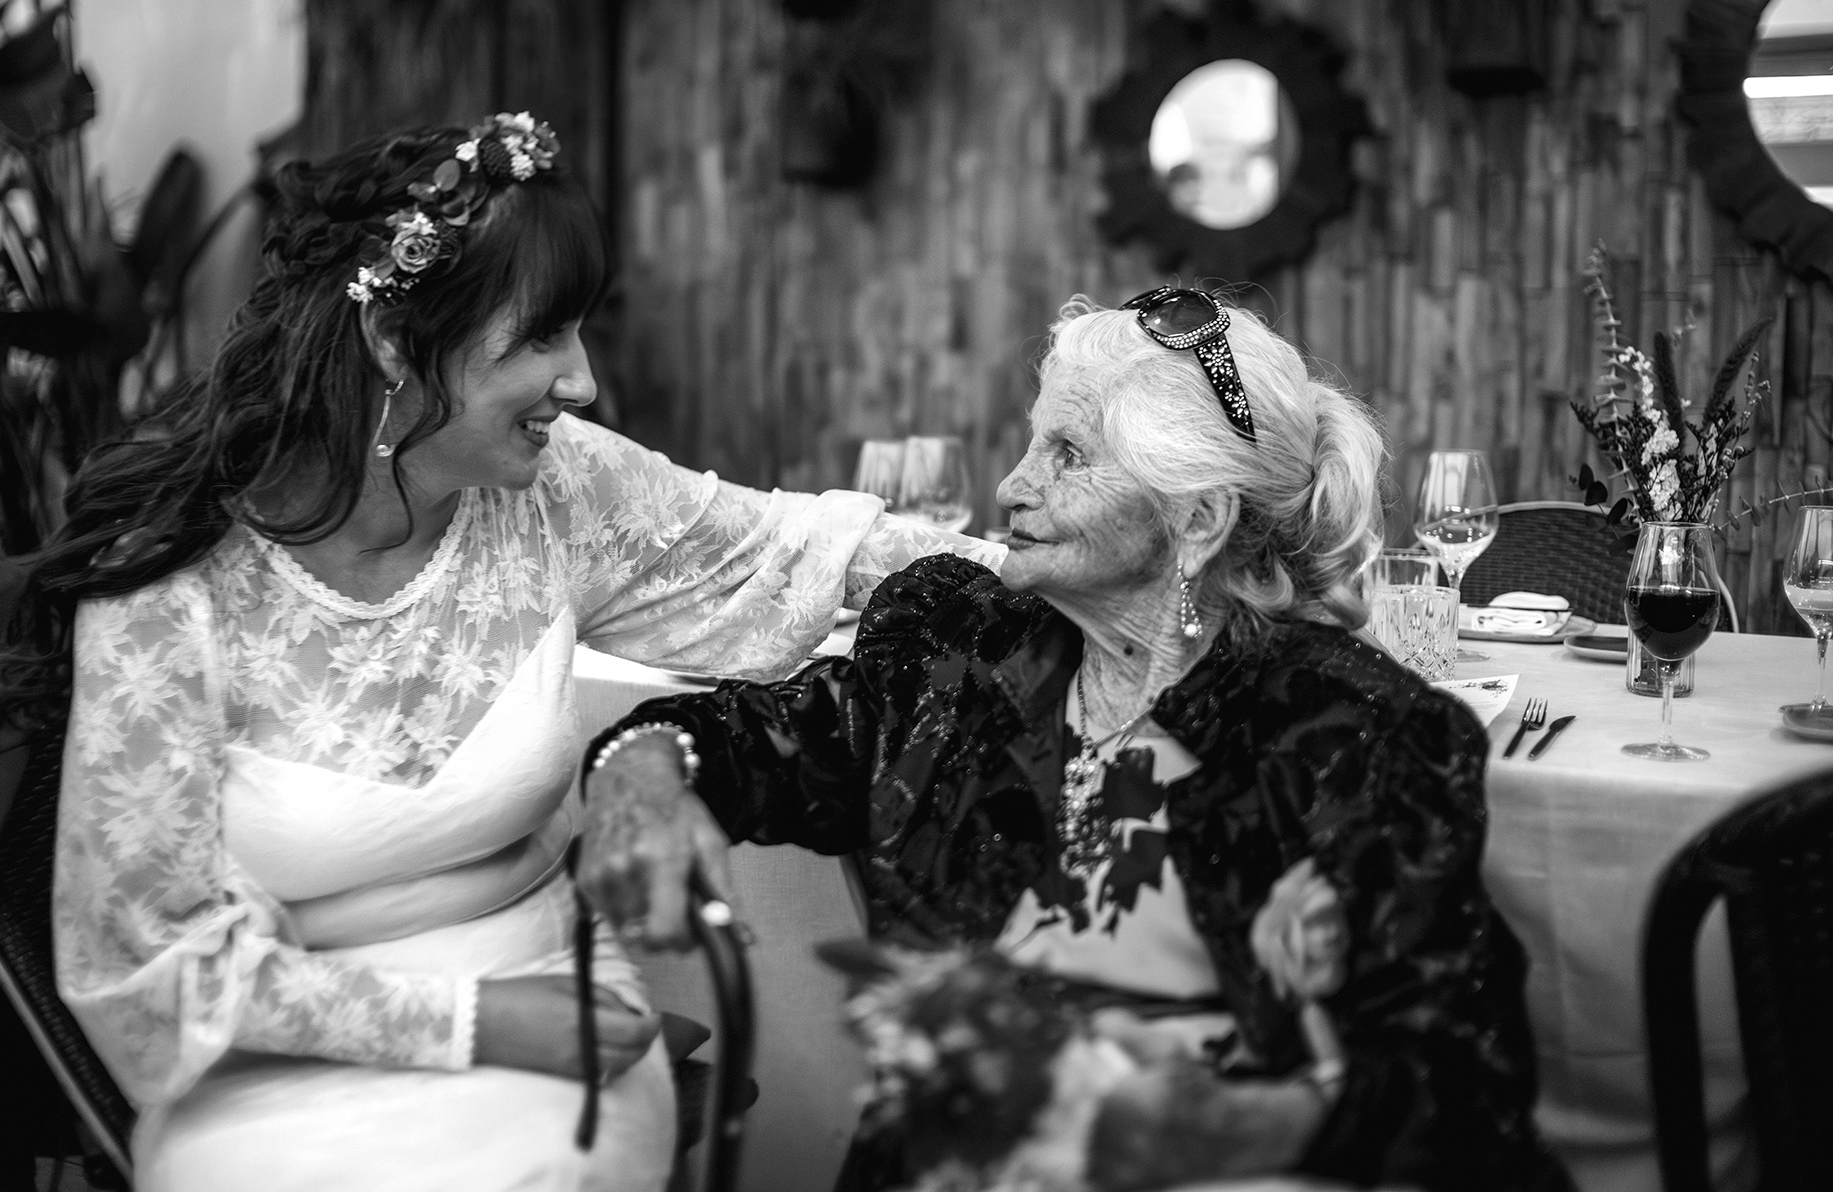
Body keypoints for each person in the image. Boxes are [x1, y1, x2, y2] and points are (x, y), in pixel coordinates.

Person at [0, 112, 1001, 1192]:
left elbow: (790, 550)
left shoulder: (555, 493)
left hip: (553, 1027)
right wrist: (471, 1022)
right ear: (393, 338)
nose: (583, 381)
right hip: (260, 1074)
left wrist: (1045, 564)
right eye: (541, 337)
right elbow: (147, 977)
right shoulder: (170, 583)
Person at [576, 291, 1571, 1191]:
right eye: (1031, 439)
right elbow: (741, 736)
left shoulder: (1352, 730)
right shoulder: (957, 649)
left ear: (1198, 521)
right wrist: (644, 775)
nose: (1012, 484)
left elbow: (1457, 1080)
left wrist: (1230, 1130)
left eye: (1069, 453)